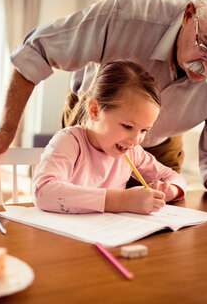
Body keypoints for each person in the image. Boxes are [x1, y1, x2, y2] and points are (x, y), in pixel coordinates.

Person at [0, 0, 207, 217]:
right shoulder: (130, 14)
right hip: (93, 125)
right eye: (206, 46)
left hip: (163, 142)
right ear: (189, 14)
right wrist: (6, 130)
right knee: (77, 209)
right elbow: (36, 52)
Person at [33, 61, 186, 214]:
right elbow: (43, 192)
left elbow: (173, 176)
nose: (135, 140)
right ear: (94, 111)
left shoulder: (132, 153)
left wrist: (168, 190)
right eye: (127, 126)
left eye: (144, 130)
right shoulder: (69, 142)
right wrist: (122, 201)